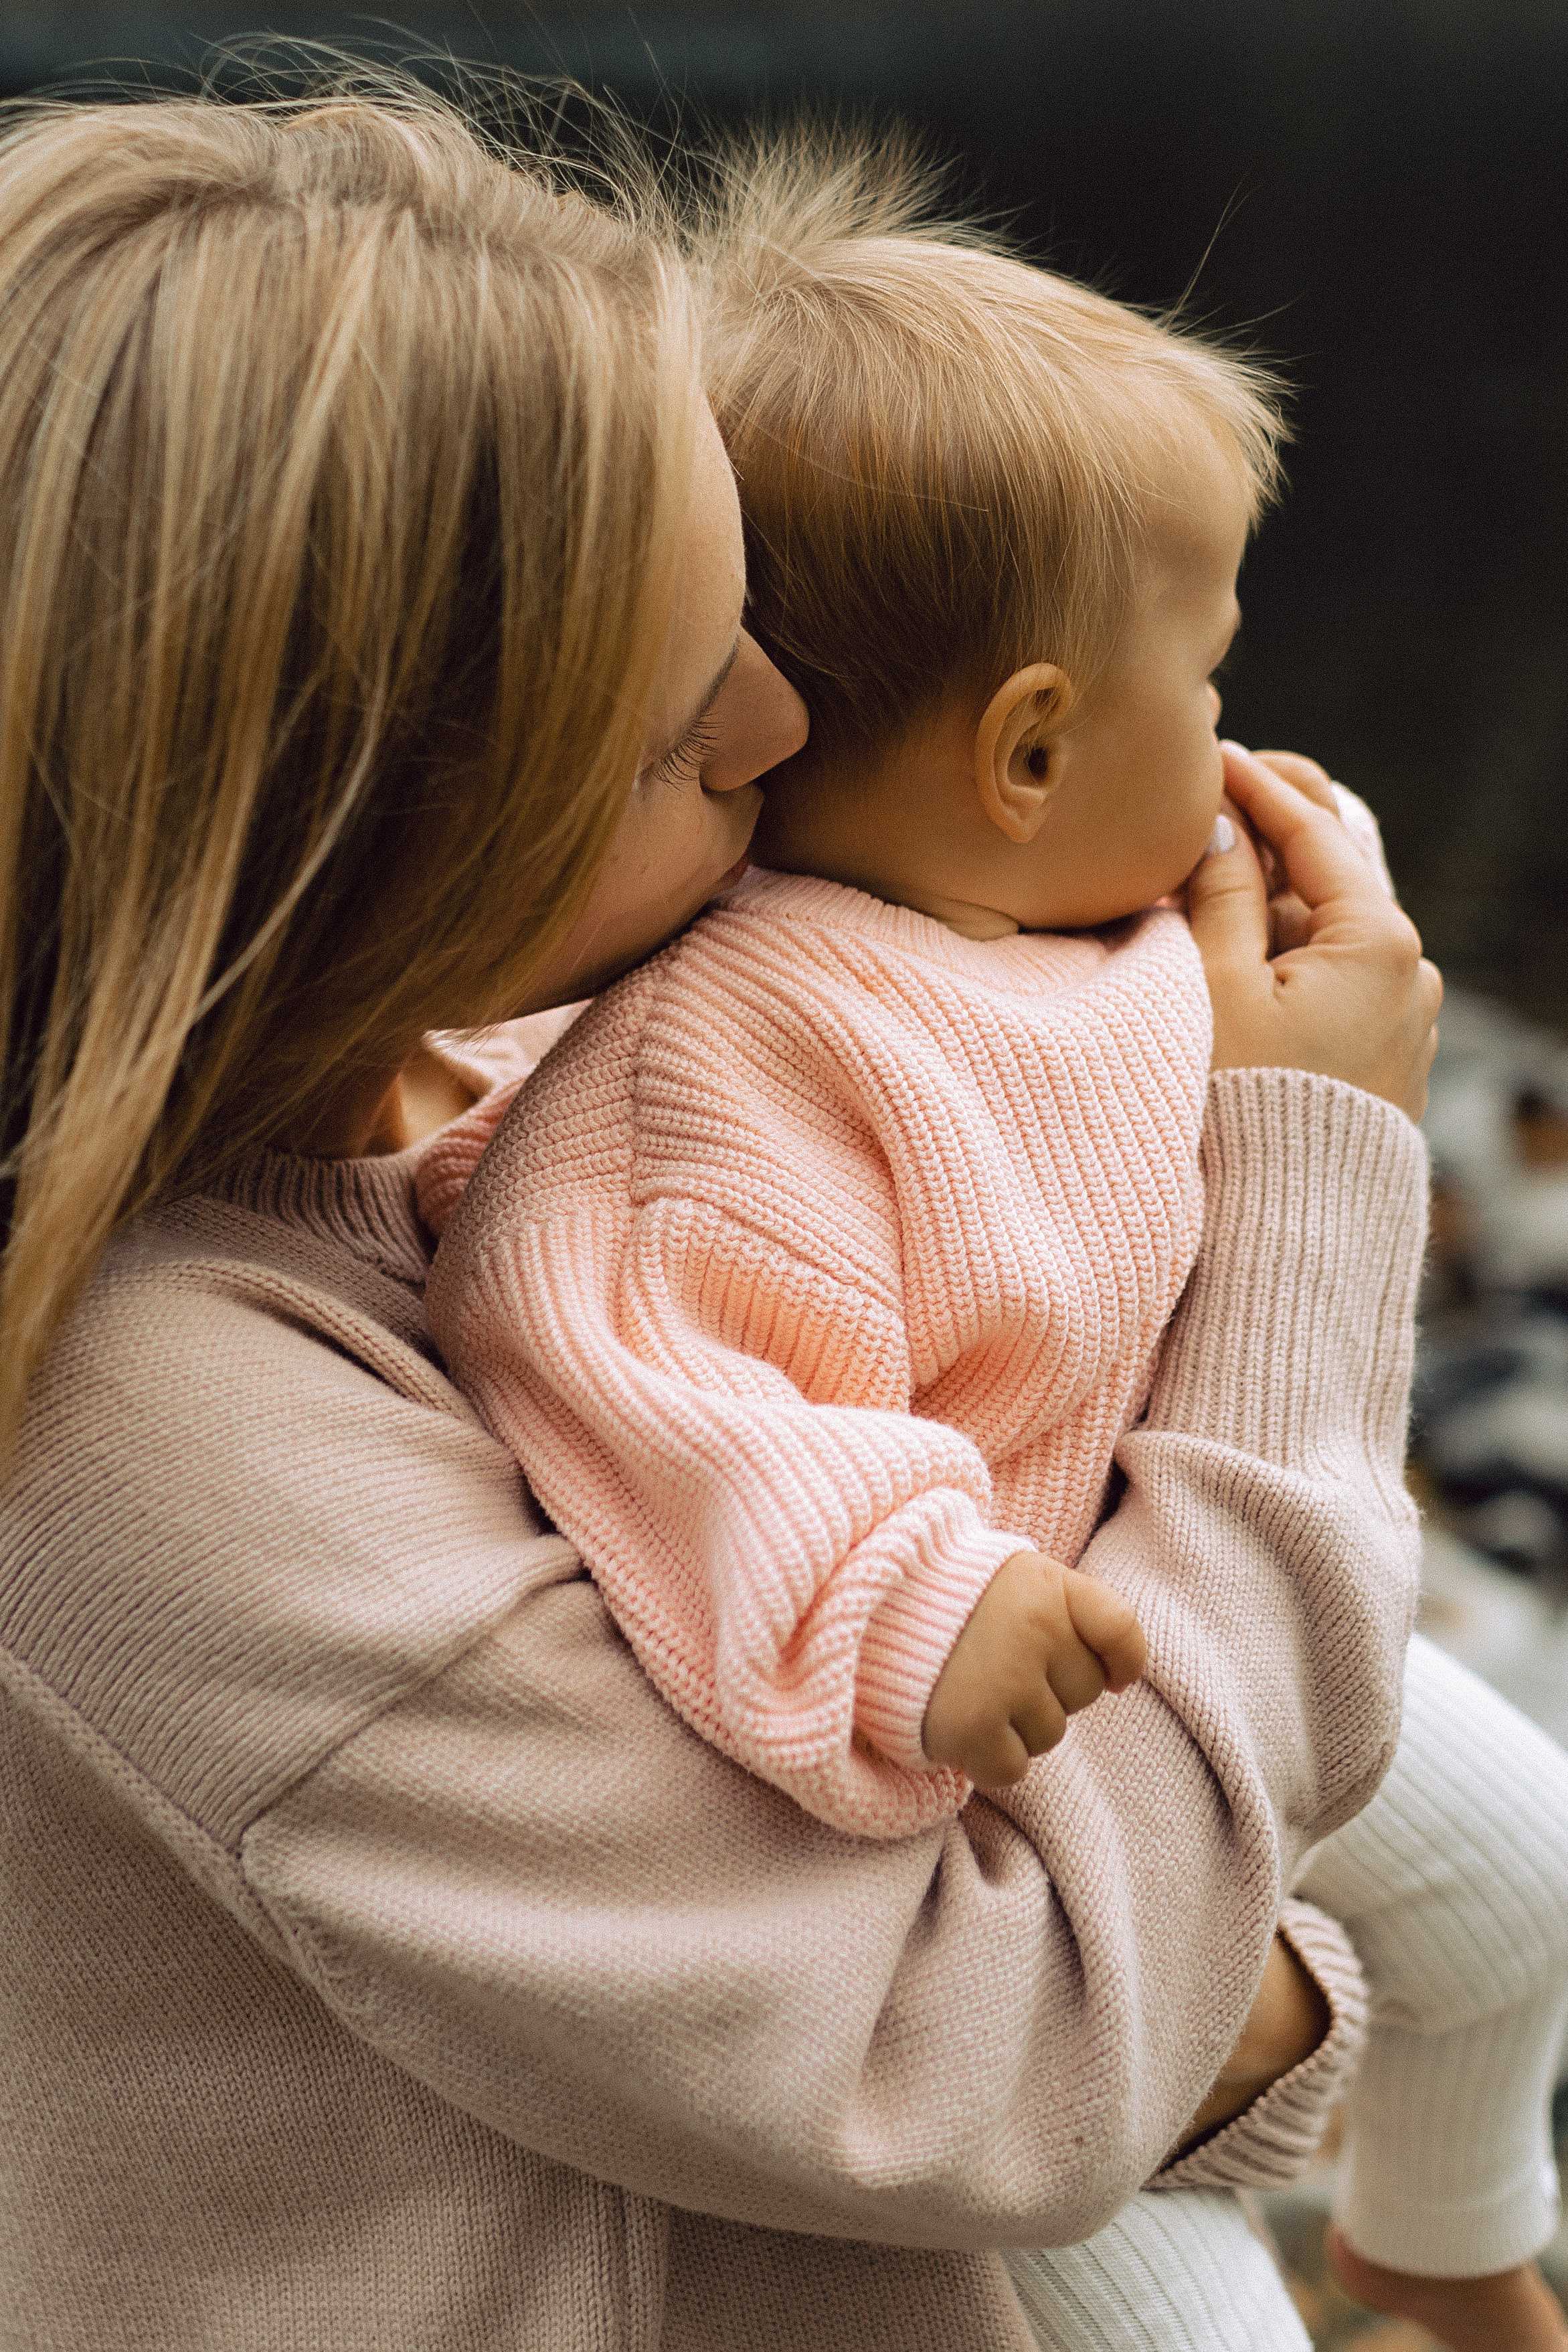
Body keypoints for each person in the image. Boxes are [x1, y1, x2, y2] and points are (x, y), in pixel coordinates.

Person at [0, 80, 1508, 2352]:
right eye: (682, 719)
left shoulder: (483, 1065)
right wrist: (1306, 1203)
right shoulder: (141, 1446)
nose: (791, 718)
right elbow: (995, 2061)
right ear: (357, 817)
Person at [421, 144, 1568, 2349]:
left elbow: (1230, 1263)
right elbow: (654, 1383)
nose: (1235, 735)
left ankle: (1446, 2232)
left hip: (1187, 1609)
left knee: (1519, 1879)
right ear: (1031, 743)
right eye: (1209, 679)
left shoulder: (1120, 921)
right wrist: (914, 1608)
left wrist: (1311, 1049)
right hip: (981, 1746)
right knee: (1193, 2324)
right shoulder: (729, 1060)